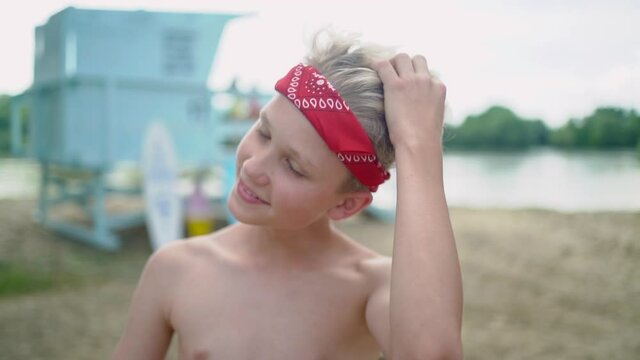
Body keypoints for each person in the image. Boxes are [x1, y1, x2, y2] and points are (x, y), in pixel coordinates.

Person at [112, 29, 463, 360]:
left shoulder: (372, 287)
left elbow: (428, 353)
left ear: (345, 204)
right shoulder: (175, 268)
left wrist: (418, 144)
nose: (253, 168)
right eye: (264, 132)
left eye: (294, 167)